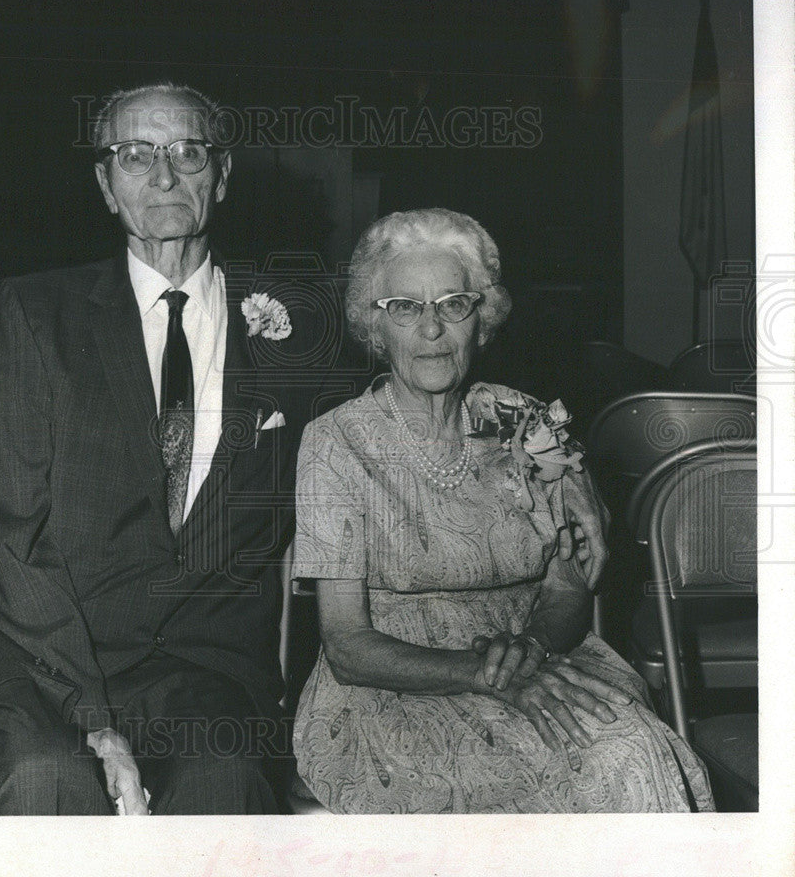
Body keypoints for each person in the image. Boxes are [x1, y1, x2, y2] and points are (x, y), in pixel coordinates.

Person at [0, 84, 610, 816]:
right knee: (45, 777)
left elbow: (423, 371)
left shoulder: (297, 329)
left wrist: (559, 459)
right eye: (134, 155)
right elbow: (6, 544)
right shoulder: (32, 315)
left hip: (197, 666)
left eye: (188, 152)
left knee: (229, 784)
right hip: (26, 651)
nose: (163, 177)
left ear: (222, 174)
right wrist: (92, 721)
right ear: (104, 182)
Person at [291, 208, 714, 813]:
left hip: (542, 659)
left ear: (481, 318)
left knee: (633, 752)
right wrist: (489, 674)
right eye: (405, 308)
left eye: (454, 303)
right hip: (398, 692)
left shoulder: (533, 425)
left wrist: (531, 650)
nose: (432, 329)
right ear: (374, 327)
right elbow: (348, 646)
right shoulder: (336, 443)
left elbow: (571, 589)